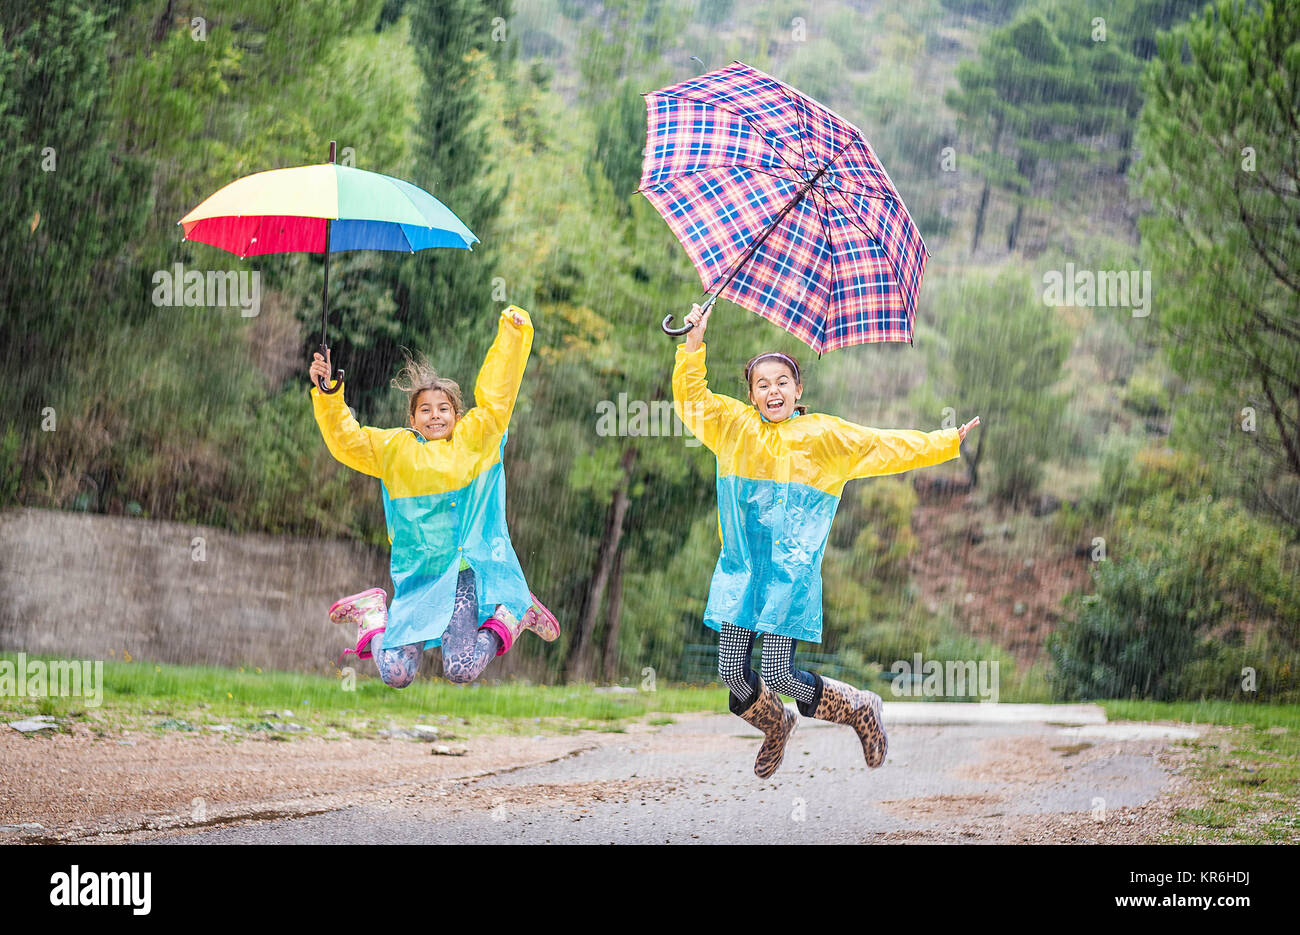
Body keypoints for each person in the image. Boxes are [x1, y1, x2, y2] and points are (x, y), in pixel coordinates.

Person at [672, 302, 980, 777]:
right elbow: (691, 398)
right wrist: (694, 341)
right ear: (752, 395)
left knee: (776, 673)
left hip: (789, 577)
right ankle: (777, 725)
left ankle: (859, 708)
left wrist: (945, 441)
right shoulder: (731, 427)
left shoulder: (824, 436)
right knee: (733, 674)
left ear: (798, 390)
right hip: (742, 570)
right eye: (762, 384)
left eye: (782, 383)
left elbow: (884, 445)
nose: (773, 391)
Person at [308, 305, 559, 689]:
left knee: (460, 668)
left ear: (457, 416)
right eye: (425, 410)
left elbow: (496, 399)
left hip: (462, 576)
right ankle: (373, 614)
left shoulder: (475, 440)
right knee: (396, 674)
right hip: (417, 577)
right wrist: (328, 395)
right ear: (412, 420)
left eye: (444, 409)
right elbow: (347, 440)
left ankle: (511, 616)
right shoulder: (394, 449)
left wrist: (512, 335)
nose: (435, 416)